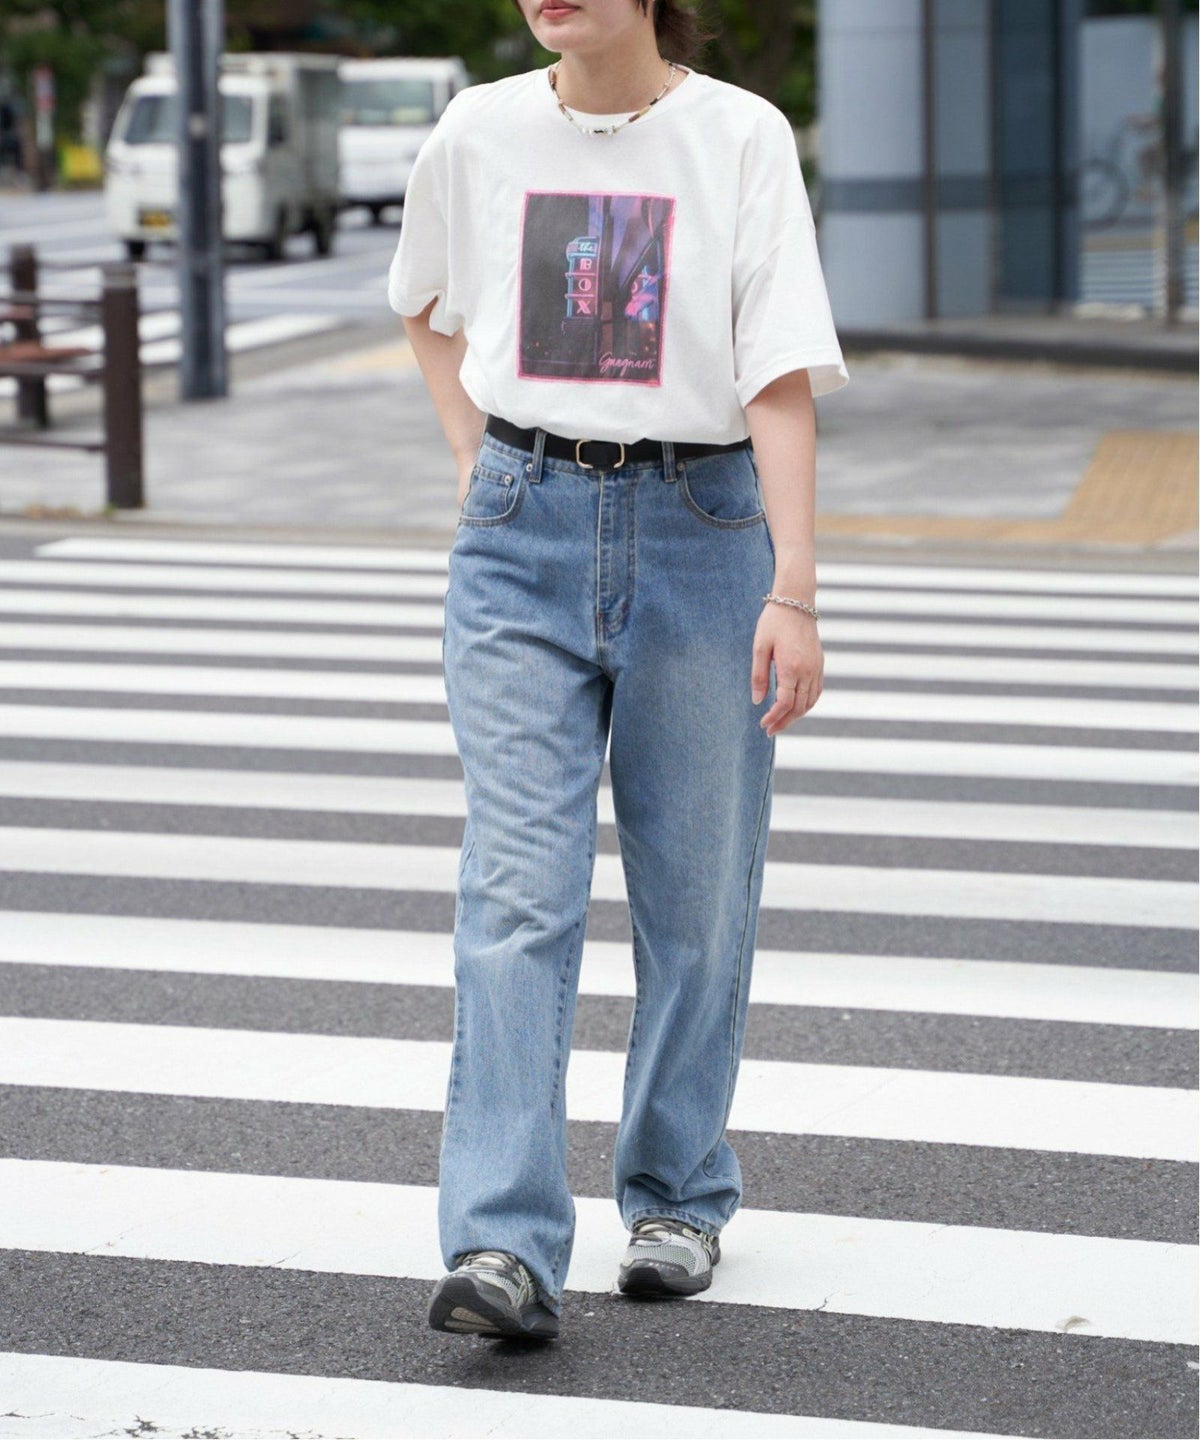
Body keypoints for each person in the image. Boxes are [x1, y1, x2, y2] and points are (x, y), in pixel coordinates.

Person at [387, 0, 848, 1342]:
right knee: (516, 892)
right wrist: (474, 458)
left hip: (702, 533)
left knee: (695, 898)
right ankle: (502, 1242)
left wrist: (795, 586)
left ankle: (677, 1195)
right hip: (519, 533)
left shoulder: (739, 136)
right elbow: (420, 301)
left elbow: (776, 371)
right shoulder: (478, 129)